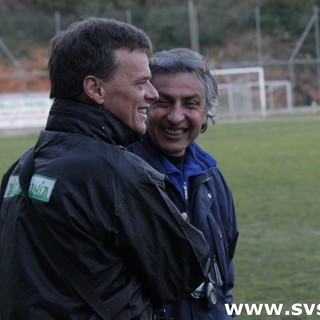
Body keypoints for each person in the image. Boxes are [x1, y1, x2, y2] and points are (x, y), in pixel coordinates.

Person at [0, 19, 212, 320]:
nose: (152, 94)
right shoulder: (116, 173)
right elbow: (183, 274)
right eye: (141, 83)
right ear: (95, 89)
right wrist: (176, 226)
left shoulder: (22, 167)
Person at [128, 48, 239, 320]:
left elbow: (225, 274)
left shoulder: (212, 177)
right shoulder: (122, 178)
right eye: (163, 102)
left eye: (191, 104)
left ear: (205, 113)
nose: (176, 117)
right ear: (145, 102)